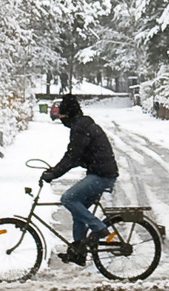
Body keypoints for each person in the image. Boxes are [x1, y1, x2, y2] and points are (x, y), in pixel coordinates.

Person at [41, 95, 119, 265]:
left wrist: (54, 174)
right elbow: (77, 156)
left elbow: (73, 156)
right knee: (79, 209)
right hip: (100, 173)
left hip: (102, 175)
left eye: (62, 117)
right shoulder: (82, 125)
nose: (62, 120)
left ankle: (99, 228)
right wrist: (55, 170)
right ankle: (79, 251)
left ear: (68, 114)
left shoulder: (80, 128)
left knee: (68, 198)